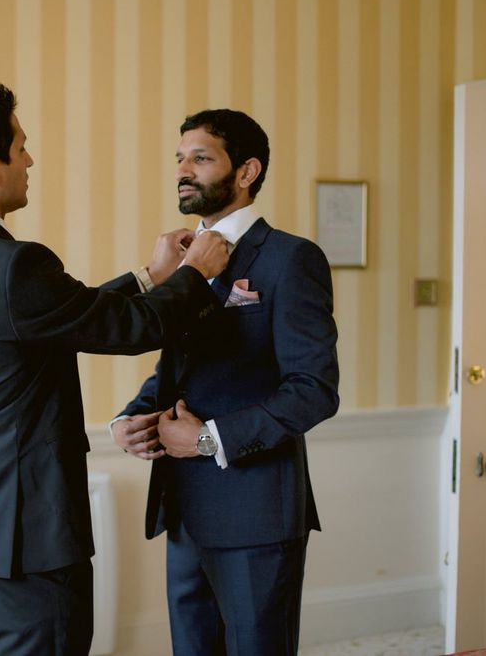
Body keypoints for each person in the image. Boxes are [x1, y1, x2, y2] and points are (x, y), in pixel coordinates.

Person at [0, 84, 229, 656]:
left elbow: (55, 321)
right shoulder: (14, 263)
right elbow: (127, 331)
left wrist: (149, 276)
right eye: (21, 148)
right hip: (24, 543)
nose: (29, 161)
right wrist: (195, 275)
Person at [111, 108, 340, 655]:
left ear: (246, 171)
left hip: (256, 512)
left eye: (200, 157)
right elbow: (180, 365)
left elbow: (315, 387)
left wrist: (210, 438)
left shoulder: (291, 259)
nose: (182, 170)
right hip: (183, 508)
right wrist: (131, 418)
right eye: (179, 159)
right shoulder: (182, 262)